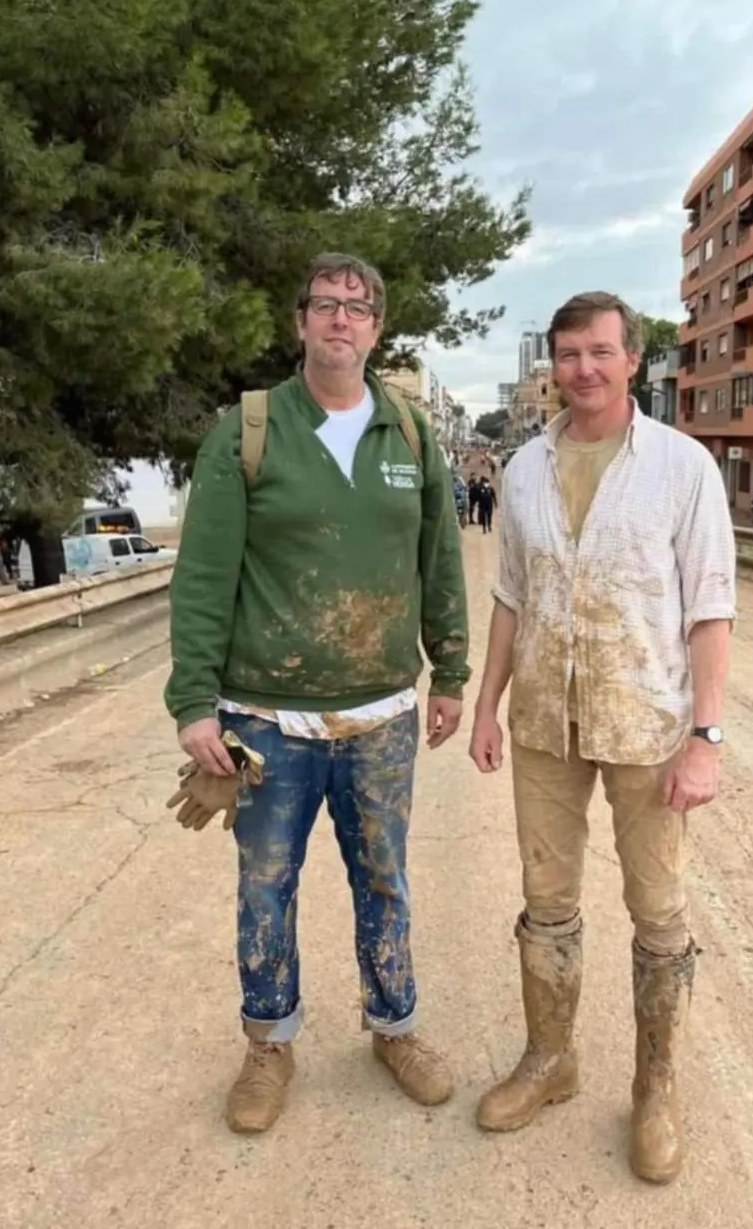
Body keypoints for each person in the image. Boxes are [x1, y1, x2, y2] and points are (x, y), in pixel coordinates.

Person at [165, 252, 470, 1135]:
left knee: (385, 880)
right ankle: (269, 1043)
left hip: (381, 718)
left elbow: (439, 560)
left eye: (359, 307)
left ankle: (395, 1027)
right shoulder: (248, 430)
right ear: (300, 321)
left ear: (377, 328)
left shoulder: (410, 435)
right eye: (326, 305)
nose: (342, 319)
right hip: (267, 720)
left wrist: (449, 669)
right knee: (267, 884)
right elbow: (204, 573)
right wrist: (194, 702)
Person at [469, 291, 736, 1184]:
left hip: (648, 724)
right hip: (546, 721)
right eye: (569, 353)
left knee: (658, 912)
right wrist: (485, 703)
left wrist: (706, 736)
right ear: (554, 366)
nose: (584, 368)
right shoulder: (523, 469)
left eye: (601, 351)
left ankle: (654, 1088)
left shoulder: (682, 467)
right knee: (547, 900)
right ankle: (552, 1059)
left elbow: (710, 609)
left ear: (633, 359)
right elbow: (510, 593)